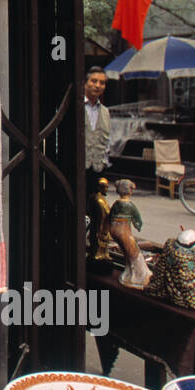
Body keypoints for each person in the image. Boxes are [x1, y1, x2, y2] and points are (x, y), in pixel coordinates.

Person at [83, 66, 110, 255]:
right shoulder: (76, 106)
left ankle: (95, 250)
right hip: (78, 168)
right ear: (85, 83)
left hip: (98, 169)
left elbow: (106, 141)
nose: (97, 85)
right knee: (79, 211)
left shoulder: (106, 112)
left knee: (98, 213)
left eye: (102, 82)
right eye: (94, 81)